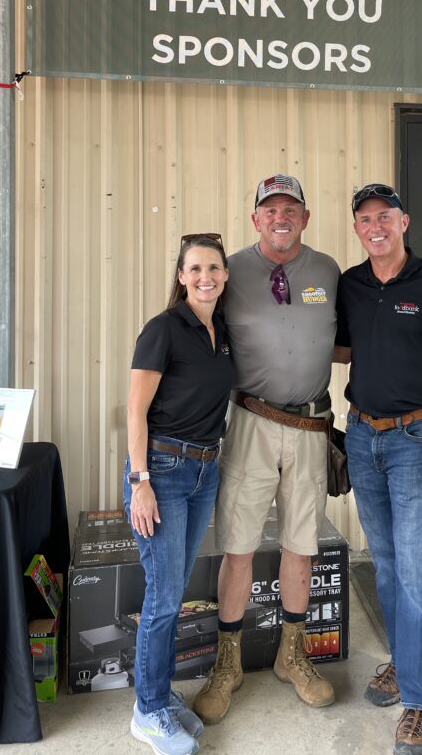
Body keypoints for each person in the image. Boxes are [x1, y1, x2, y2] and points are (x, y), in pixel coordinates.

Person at [335, 183, 422, 755]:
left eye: (385, 217)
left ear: (404, 222)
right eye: (365, 219)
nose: (375, 226)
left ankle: (420, 703)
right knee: (388, 567)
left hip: (419, 439)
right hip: (363, 435)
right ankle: (402, 661)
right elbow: (342, 347)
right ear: (356, 228)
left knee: (416, 572)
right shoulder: (350, 284)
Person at [193, 174, 340, 724]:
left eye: (291, 209)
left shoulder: (327, 271)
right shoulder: (228, 270)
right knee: (238, 545)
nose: (281, 217)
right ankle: (226, 663)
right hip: (251, 421)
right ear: (255, 218)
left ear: (305, 217)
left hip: (309, 426)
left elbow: (346, 338)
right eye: (270, 209)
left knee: (301, 544)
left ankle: (292, 654)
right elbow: (195, 332)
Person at [124, 233, 234, 755]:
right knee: (164, 597)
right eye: (195, 268)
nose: (205, 276)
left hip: (204, 472)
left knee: (172, 590)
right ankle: (147, 712)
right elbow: (134, 411)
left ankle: (160, 696)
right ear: (181, 276)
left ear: (225, 275)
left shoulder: (222, 332)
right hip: (163, 472)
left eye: (213, 267)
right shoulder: (164, 329)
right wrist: (140, 481)